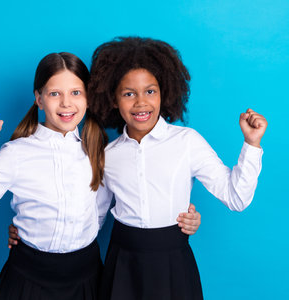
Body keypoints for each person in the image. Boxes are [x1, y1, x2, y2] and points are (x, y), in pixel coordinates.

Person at [0, 52, 201, 300]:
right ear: (39, 98)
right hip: (28, 278)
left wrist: (182, 215)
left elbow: (106, 211)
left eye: (76, 93)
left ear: (88, 98)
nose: (66, 103)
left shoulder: (99, 152)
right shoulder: (16, 153)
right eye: (55, 93)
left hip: (86, 279)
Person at [86, 37, 268, 300]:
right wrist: (33, 233)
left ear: (164, 92)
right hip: (122, 263)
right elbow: (93, 218)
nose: (141, 103)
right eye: (128, 93)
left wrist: (251, 144)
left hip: (173, 262)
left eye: (150, 91)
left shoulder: (187, 141)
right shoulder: (107, 155)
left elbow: (236, 198)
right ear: (113, 99)